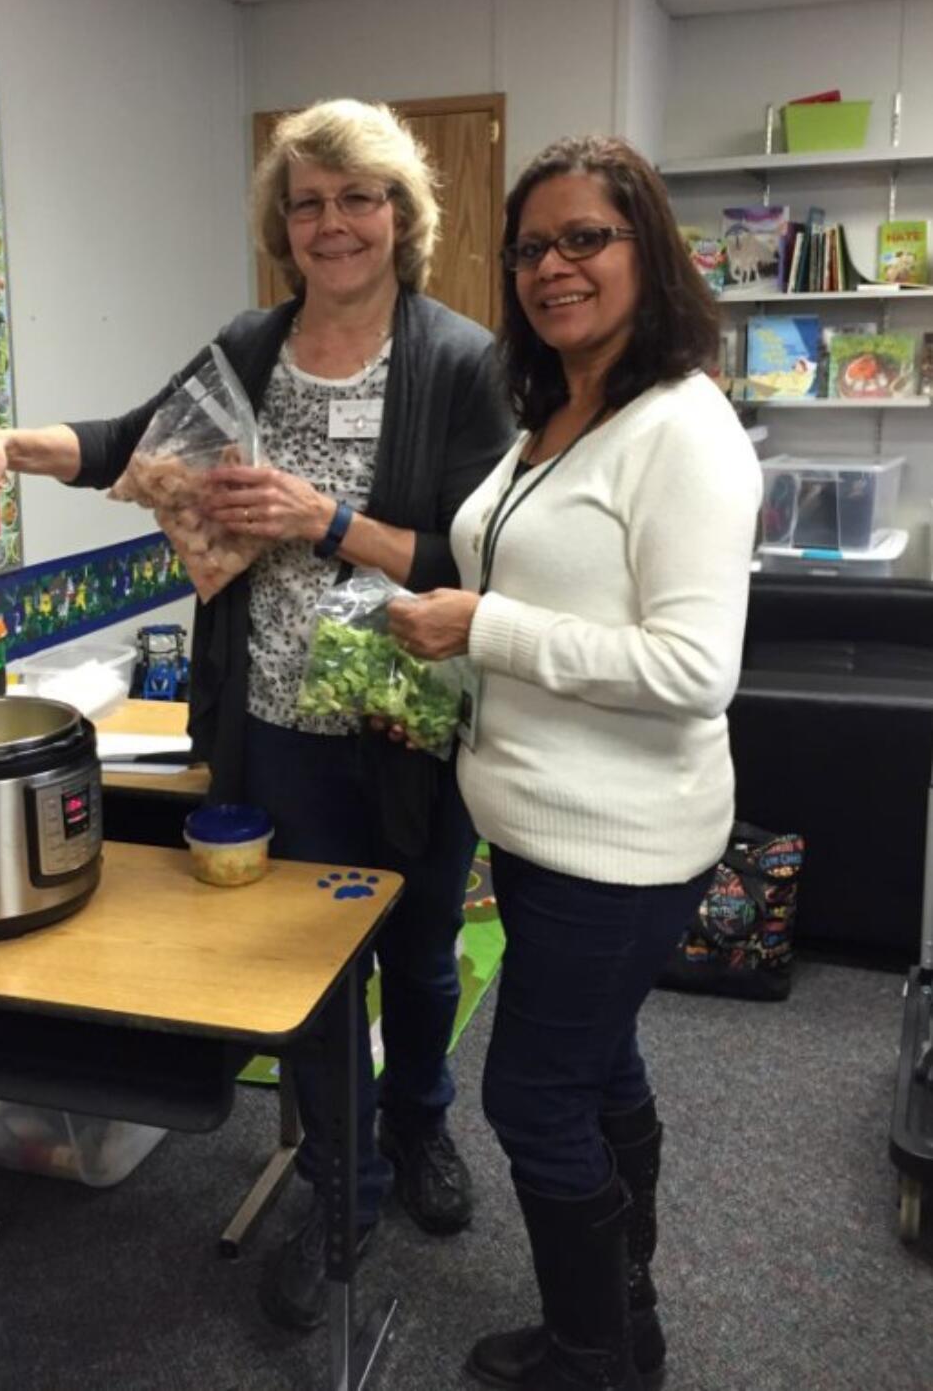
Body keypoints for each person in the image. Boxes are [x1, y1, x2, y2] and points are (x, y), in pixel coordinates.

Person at [0, 97, 516, 1330]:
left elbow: (477, 567)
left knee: (415, 958)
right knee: (297, 976)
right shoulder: (249, 345)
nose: (331, 223)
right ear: (281, 224)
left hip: (406, 732)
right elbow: (126, 444)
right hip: (267, 728)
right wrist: (6, 438)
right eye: (306, 202)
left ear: (400, 215)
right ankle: (341, 1183)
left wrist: (322, 522)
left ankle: (418, 1127)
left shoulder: (462, 361)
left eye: (356, 197)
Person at [385, 135, 761, 1391]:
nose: (554, 267)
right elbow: (520, 588)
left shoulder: (683, 429)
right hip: (538, 828)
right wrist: (442, 672)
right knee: (597, 1068)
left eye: (584, 238)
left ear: (644, 249)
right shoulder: (553, 413)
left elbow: (689, 668)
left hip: (621, 843)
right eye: (533, 246)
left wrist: (477, 628)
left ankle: (594, 1354)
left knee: (531, 1102)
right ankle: (626, 1311)